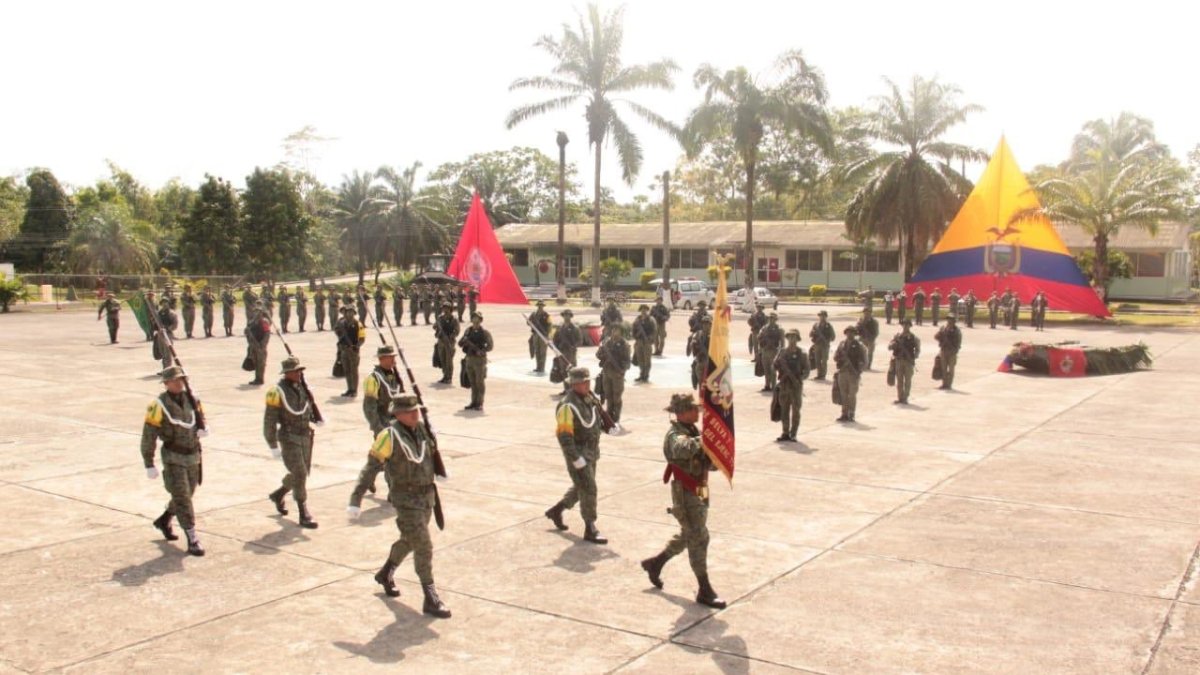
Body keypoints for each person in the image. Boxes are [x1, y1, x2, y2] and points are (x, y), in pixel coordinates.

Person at [639, 393, 726, 609]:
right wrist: (708, 437)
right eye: (693, 409)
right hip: (686, 493)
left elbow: (709, 463)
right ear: (681, 413)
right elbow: (682, 448)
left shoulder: (692, 431)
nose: (698, 412)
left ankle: (656, 563)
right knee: (699, 537)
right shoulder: (675, 434)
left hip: (700, 489)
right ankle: (704, 588)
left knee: (691, 533)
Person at [369, 395, 452, 619]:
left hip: (425, 496)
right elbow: (372, 464)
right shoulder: (390, 435)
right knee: (423, 544)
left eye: (417, 410)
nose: (415, 414)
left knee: (411, 539)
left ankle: (386, 572)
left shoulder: (421, 429)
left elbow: (429, 453)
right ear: (398, 414)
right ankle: (430, 596)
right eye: (410, 411)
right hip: (405, 497)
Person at [140, 365, 206, 556]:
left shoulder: (192, 399)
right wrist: (149, 462)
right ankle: (193, 538)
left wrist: (204, 427)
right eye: (174, 380)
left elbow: (201, 417)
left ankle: (165, 518)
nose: (178, 383)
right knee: (183, 497)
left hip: (193, 455)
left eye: (181, 379)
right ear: (166, 383)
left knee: (188, 493)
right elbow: (148, 435)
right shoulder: (158, 406)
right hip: (173, 457)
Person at [544, 367, 607, 544]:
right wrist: (575, 458)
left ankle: (557, 510)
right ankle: (590, 527)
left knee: (582, 487)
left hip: (592, 452)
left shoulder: (589, 399)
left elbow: (594, 422)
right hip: (578, 454)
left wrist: (609, 427)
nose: (588, 384)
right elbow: (564, 436)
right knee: (589, 488)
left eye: (588, 381)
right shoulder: (566, 406)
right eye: (584, 382)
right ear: (574, 384)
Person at [348, 345, 405, 517]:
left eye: (394, 357)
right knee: (387, 461)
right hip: (383, 425)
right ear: (381, 359)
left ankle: (378, 483)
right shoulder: (373, 379)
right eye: (390, 357)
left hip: (395, 424)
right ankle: (390, 491)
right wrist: (378, 428)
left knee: (389, 461)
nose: (393, 360)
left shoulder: (395, 376)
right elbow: (369, 408)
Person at [264, 356, 318, 529]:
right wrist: (272, 444)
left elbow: (308, 408)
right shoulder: (276, 392)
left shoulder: (302, 388)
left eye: (300, 370)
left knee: (301, 473)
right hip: (289, 437)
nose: (298, 373)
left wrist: (316, 417)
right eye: (295, 371)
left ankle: (279, 494)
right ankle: (303, 512)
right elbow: (269, 420)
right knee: (300, 473)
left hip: (305, 436)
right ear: (287, 373)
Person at [773, 329, 810, 442]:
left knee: (796, 411)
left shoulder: (802, 353)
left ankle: (793, 433)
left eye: (794, 337)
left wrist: (799, 380)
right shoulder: (782, 352)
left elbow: (807, 370)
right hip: (784, 385)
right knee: (784, 410)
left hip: (796, 387)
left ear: (797, 339)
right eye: (789, 337)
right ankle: (785, 432)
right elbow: (774, 366)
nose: (791, 339)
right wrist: (778, 365)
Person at [459, 312, 494, 411]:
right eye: (474, 318)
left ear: (481, 320)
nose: (475, 320)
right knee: (472, 382)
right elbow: (460, 343)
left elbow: (490, 346)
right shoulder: (468, 331)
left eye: (477, 318)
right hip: (469, 359)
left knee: (480, 382)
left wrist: (482, 351)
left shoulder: (485, 333)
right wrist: (464, 342)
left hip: (479, 361)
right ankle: (473, 402)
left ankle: (480, 402)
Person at [596, 323, 631, 422]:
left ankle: (616, 416)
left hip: (617, 374)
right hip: (607, 372)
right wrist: (601, 354)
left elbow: (627, 361)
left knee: (617, 396)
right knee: (608, 395)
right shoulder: (607, 343)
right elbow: (598, 355)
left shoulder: (624, 344)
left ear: (621, 332)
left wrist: (622, 370)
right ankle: (609, 414)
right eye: (613, 329)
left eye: (617, 330)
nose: (614, 331)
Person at [833, 326, 867, 422]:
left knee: (852, 395)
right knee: (843, 394)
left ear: (855, 334)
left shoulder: (859, 345)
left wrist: (859, 370)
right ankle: (844, 413)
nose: (849, 334)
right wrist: (839, 358)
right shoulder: (842, 344)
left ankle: (851, 413)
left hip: (853, 373)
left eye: (852, 332)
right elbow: (835, 356)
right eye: (848, 332)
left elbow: (864, 360)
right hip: (843, 372)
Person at [889, 319, 920, 404]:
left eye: (907, 325)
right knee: (899, 380)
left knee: (908, 380)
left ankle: (905, 397)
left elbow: (917, 349)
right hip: (899, 360)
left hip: (908, 362)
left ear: (910, 326)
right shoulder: (898, 336)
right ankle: (900, 397)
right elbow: (890, 346)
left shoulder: (913, 337)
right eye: (904, 324)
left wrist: (913, 357)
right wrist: (893, 344)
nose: (905, 326)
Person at [335, 306, 364, 397]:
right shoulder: (341, 323)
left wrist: (356, 346)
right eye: (348, 312)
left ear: (354, 313)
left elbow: (362, 338)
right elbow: (337, 332)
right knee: (347, 371)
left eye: (351, 312)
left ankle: (354, 390)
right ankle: (349, 389)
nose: (349, 314)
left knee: (354, 371)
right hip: (344, 350)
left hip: (353, 351)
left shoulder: (358, 324)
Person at [552, 309, 582, 392]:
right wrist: (556, 347)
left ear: (571, 316)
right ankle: (566, 389)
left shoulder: (575, 328)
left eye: (568, 315)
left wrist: (573, 346)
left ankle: (573, 390)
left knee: (572, 371)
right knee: (563, 371)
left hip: (571, 353)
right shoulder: (560, 328)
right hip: (562, 352)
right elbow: (555, 339)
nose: (566, 317)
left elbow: (579, 340)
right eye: (565, 315)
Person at [756, 313, 784, 391]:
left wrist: (781, 352)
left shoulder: (779, 329)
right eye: (770, 318)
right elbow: (759, 338)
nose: (771, 320)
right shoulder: (764, 328)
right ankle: (767, 385)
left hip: (774, 351)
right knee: (766, 369)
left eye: (773, 318)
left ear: (776, 319)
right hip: (765, 351)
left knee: (773, 370)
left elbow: (782, 342)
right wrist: (760, 350)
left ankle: (774, 386)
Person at [434, 303, 460, 385]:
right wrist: (438, 330)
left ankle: (449, 377)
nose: (445, 310)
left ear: (450, 309)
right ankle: (445, 375)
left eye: (447, 308)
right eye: (444, 308)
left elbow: (457, 330)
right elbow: (435, 326)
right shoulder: (440, 318)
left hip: (449, 342)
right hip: (441, 342)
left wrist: (451, 336)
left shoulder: (454, 319)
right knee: (442, 359)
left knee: (449, 360)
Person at [245, 303, 270, 385]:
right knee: (255, 362)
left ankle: (260, 379)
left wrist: (263, 344)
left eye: (258, 312)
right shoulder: (252, 322)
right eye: (255, 312)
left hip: (260, 346)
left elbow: (267, 333)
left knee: (261, 363)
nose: (256, 313)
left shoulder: (264, 321)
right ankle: (257, 378)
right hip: (253, 345)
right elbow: (247, 331)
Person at [934, 315, 962, 390]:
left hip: (952, 352)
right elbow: (936, 337)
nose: (949, 321)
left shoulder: (957, 331)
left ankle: (949, 384)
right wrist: (940, 335)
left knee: (951, 369)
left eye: (951, 320)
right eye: (948, 320)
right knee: (943, 368)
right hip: (943, 350)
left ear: (954, 321)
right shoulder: (943, 329)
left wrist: (955, 350)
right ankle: (944, 384)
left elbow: (958, 342)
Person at [631, 304, 657, 382]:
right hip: (639, 342)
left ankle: (646, 375)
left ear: (647, 311)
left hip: (647, 342)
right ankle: (642, 374)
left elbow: (654, 331)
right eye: (642, 310)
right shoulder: (637, 320)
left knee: (647, 360)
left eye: (645, 310)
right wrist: (636, 335)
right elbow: (633, 329)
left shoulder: (651, 320)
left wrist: (650, 339)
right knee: (640, 359)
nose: (643, 311)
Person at [808, 310, 835, 381]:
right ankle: (819, 374)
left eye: (823, 316)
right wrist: (814, 333)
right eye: (820, 316)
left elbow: (833, 337)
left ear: (826, 317)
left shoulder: (828, 326)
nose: (821, 317)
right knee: (817, 360)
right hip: (817, 345)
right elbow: (810, 334)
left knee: (824, 361)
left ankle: (823, 375)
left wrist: (827, 339)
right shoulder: (816, 325)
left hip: (825, 346)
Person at [688, 316, 712, 390]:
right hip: (700, 359)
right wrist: (693, 343)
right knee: (695, 367)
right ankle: (696, 384)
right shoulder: (698, 334)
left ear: (711, 325)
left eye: (707, 324)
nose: (706, 325)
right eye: (704, 324)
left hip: (711, 361)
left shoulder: (714, 335)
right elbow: (692, 344)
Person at [153, 299, 178, 370]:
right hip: (160, 334)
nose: (164, 304)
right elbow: (155, 323)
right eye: (163, 303)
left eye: (166, 303)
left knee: (168, 353)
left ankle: (168, 368)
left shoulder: (172, 313)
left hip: (168, 335)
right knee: (162, 352)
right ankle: (164, 368)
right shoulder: (158, 313)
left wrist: (167, 328)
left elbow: (175, 325)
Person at [528, 300, 552, 374]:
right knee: (537, 351)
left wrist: (547, 335)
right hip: (535, 335)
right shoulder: (533, 314)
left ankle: (542, 368)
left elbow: (550, 326)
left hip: (543, 336)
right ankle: (538, 367)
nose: (540, 307)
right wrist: (531, 323)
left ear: (543, 306)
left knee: (542, 352)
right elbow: (528, 322)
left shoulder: (547, 315)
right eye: (539, 306)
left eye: (541, 306)